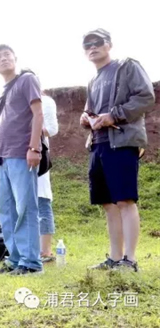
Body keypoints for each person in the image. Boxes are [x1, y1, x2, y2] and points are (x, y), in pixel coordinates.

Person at [79, 29, 155, 272]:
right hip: (98, 143)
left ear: (109, 44)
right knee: (107, 203)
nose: (92, 47)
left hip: (121, 142)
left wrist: (114, 115)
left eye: (97, 42)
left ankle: (130, 260)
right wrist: (86, 118)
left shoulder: (127, 66)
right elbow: (90, 109)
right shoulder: (93, 80)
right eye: (87, 44)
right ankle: (114, 258)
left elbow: (145, 97)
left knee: (124, 200)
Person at [0, 44, 44, 275]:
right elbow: (0, 127)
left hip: (22, 154)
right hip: (3, 158)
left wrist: (34, 146)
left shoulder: (27, 80)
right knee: (7, 212)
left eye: (6, 55)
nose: (2, 59)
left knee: (26, 208)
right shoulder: (1, 92)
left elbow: (38, 114)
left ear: (15, 59)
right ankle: (15, 258)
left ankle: (31, 262)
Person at [38, 94, 59, 262]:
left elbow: (51, 129)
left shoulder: (45, 101)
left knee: (41, 199)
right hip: (16, 158)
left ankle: (45, 250)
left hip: (38, 156)